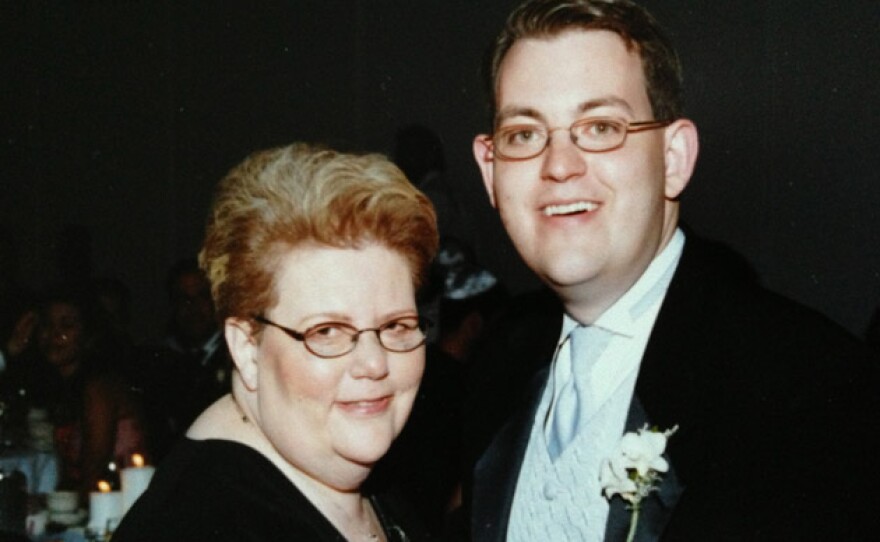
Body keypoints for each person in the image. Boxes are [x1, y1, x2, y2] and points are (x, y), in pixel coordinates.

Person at [464, 1, 878, 540]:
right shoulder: (496, 366)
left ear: (675, 157)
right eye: (524, 134)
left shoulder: (811, 389)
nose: (559, 165)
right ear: (490, 171)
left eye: (601, 127)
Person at [112, 142, 438, 541]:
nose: (374, 363)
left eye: (396, 326)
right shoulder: (198, 523)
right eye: (327, 331)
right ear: (247, 348)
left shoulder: (352, 474)